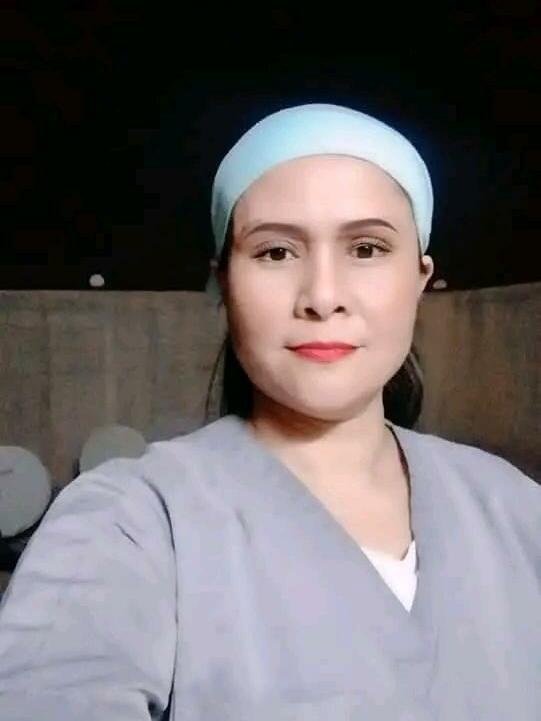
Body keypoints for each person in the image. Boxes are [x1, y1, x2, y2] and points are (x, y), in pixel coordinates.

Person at [0, 103, 539, 720]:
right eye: (276, 253)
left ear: (419, 277)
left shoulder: (515, 509)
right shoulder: (129, 523)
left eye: (366, 248)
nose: (323, 297)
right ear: (225, 282)